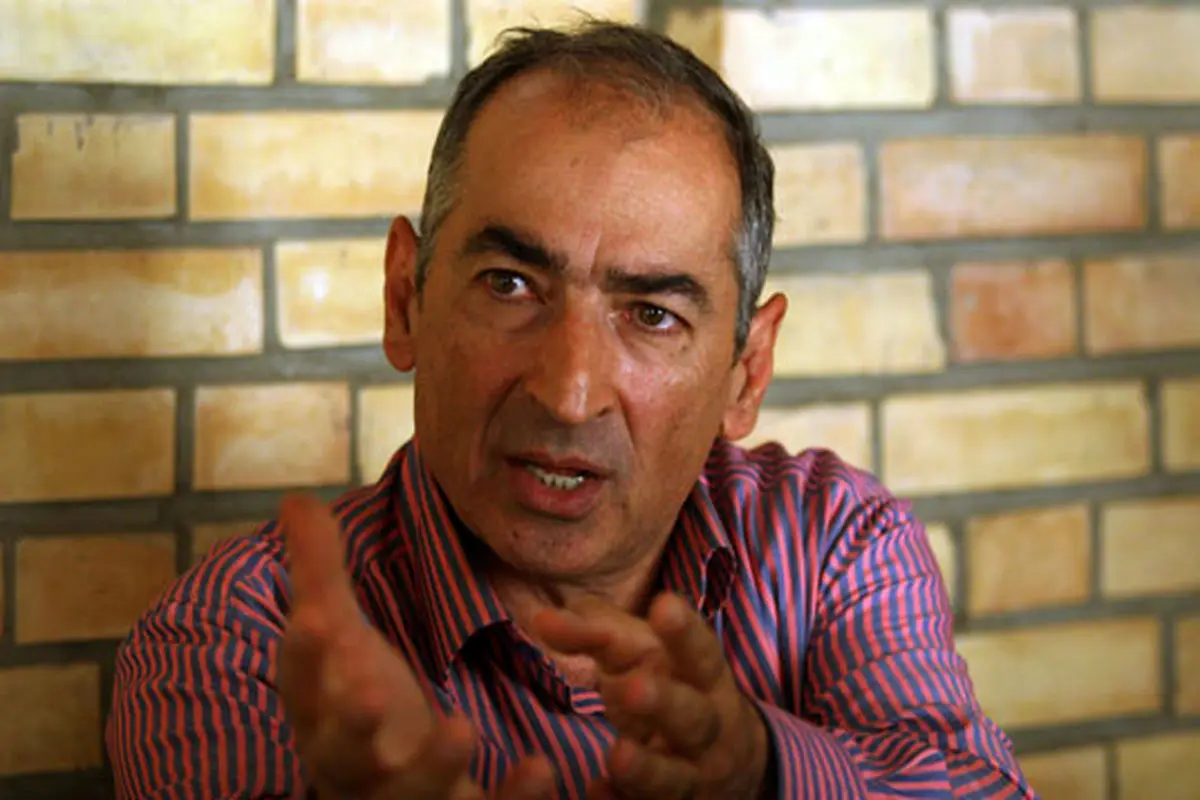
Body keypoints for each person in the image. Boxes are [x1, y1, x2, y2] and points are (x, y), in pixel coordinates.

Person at [107, 20, 1036, 800]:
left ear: (746, 372)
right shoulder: (236, 646)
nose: (568, 391)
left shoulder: (830, 546)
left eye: (652, 315)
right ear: (404, 299)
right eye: (510, 284)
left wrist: (764, 774)